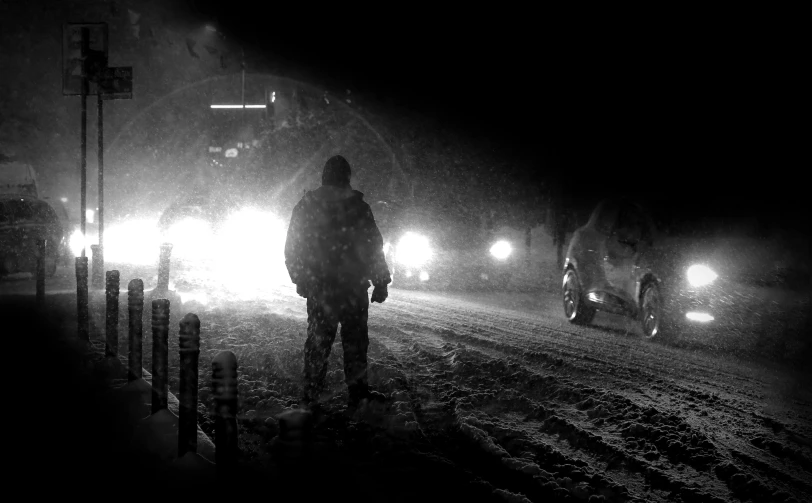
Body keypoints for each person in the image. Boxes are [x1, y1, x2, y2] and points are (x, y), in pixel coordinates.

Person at [284, 155, 391, 416]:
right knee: (355, 343)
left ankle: (311, 396)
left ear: (323, 177)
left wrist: (301, 279)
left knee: (319, 342)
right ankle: (358, 396)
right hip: (353, 287)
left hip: (321, 288)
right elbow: (373, 247)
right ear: (347, 178)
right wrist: (380, 282)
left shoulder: (306, 206)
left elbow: (293, 247)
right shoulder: (358, 207)